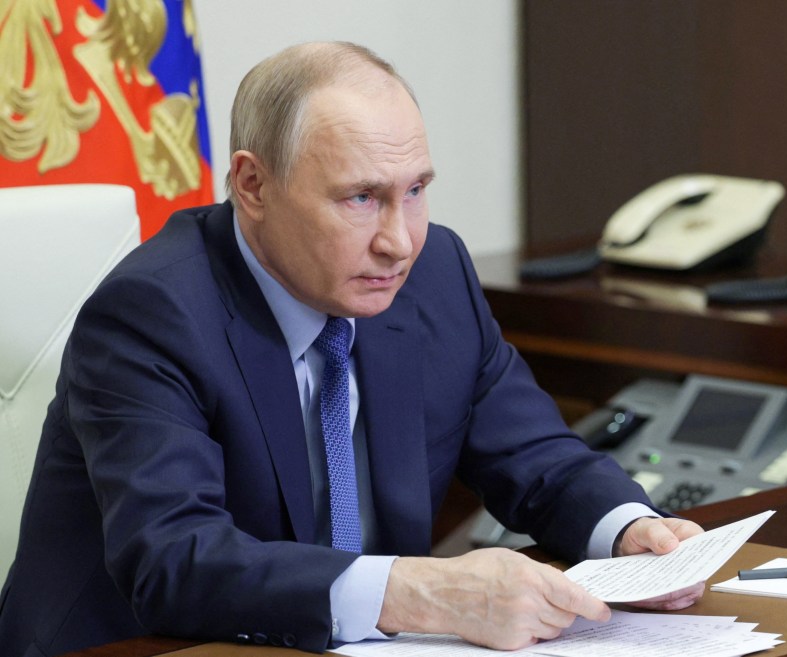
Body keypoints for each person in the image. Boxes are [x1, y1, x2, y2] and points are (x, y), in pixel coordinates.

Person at [0, 42, 704, 656]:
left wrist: (630, 530)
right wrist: (422, 591)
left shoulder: (434, 275)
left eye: (416, 190)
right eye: (360, 198)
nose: (399, 240)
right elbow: (175, 558)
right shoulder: (153, 312)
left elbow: (536, 456)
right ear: (252, 185)